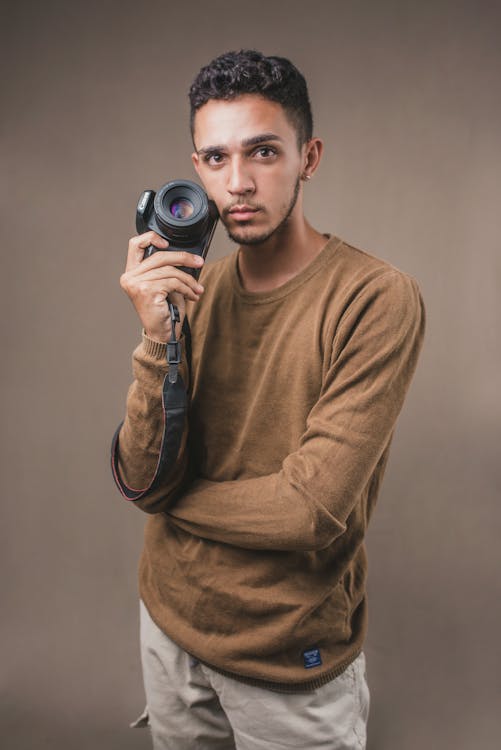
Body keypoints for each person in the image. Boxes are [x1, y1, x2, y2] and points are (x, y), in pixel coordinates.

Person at [112, 50, 426, 750]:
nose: (238, 182)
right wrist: (158, 337)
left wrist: (168, 499)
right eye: (215, 158)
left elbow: (306, 510)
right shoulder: (193, 293)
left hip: (286, 655)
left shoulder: (375, 297)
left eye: (262, 152)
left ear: (307, 156)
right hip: (169, 627)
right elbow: (138, 468)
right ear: (195, 168)